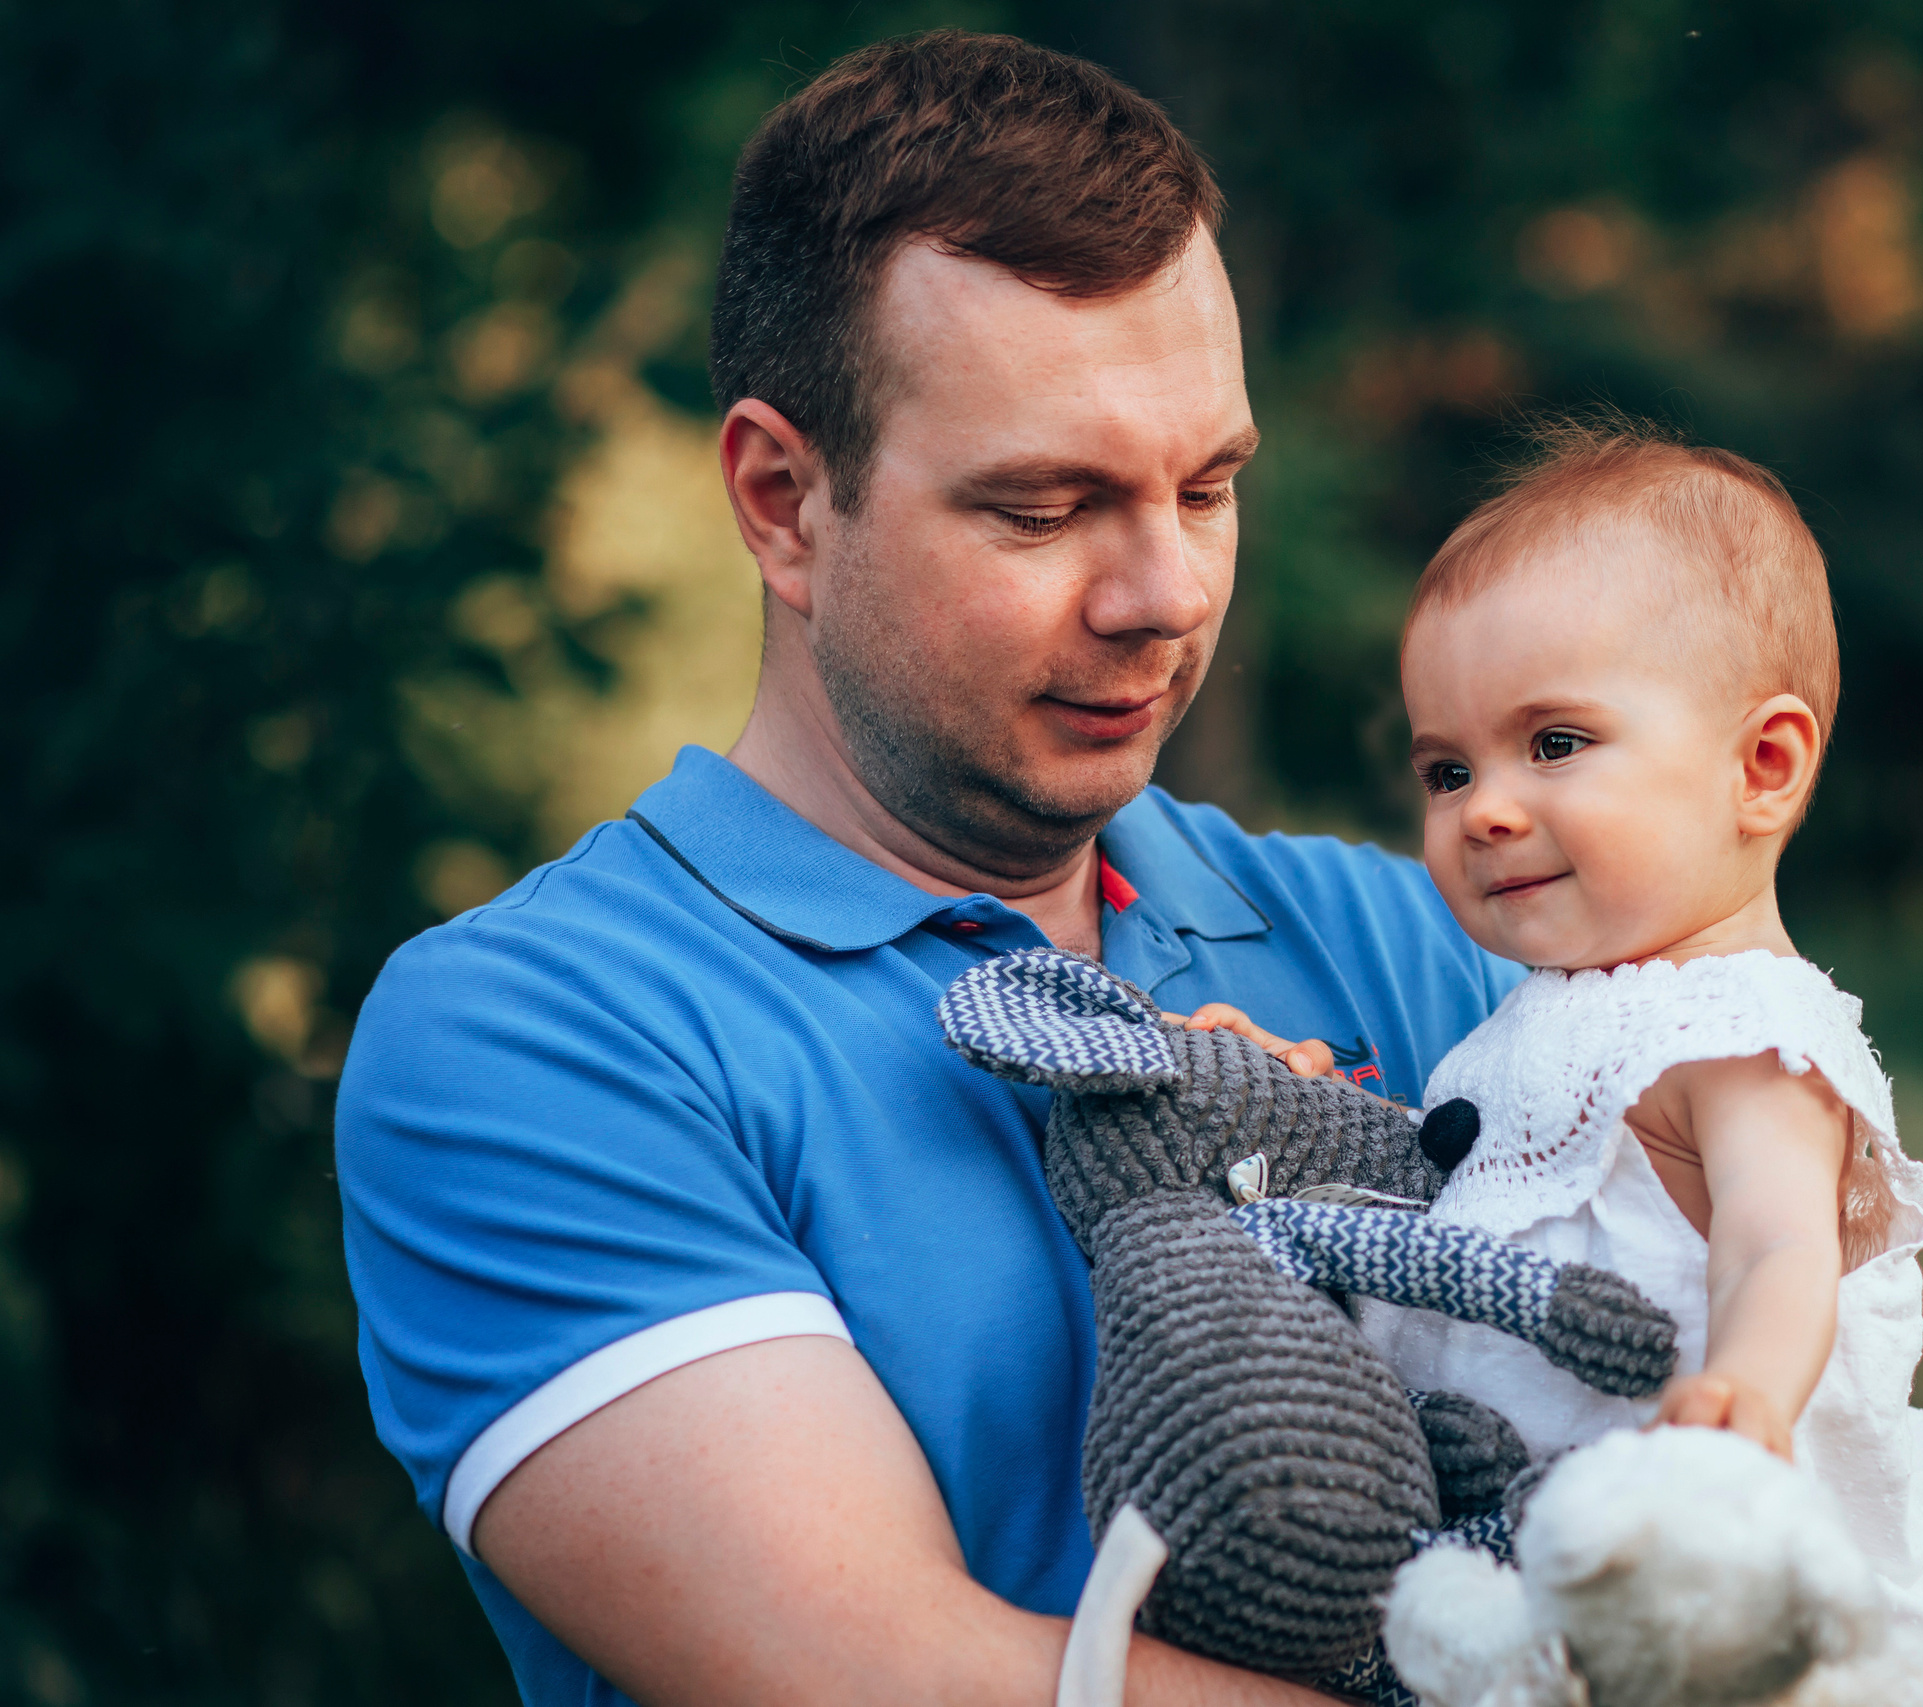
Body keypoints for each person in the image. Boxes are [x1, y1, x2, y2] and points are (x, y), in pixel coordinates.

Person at [334, 33, 1513, 1706]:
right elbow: (902, 1675)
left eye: (1211, 483)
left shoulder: (1419, 937)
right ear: (783, 500)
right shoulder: (534, 1037)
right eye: (1045, 507)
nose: (1164, 590)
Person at [1356, 421, 1923, 1705]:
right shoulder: (1526, 1021)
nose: (1486, 808)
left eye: (1556, 743)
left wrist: (1742, 1393)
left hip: (1699, 1574)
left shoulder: (1743, 1033)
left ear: (1762, 767)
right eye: (1446, 768)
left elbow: (1774, 1241)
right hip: (1533, 1567)